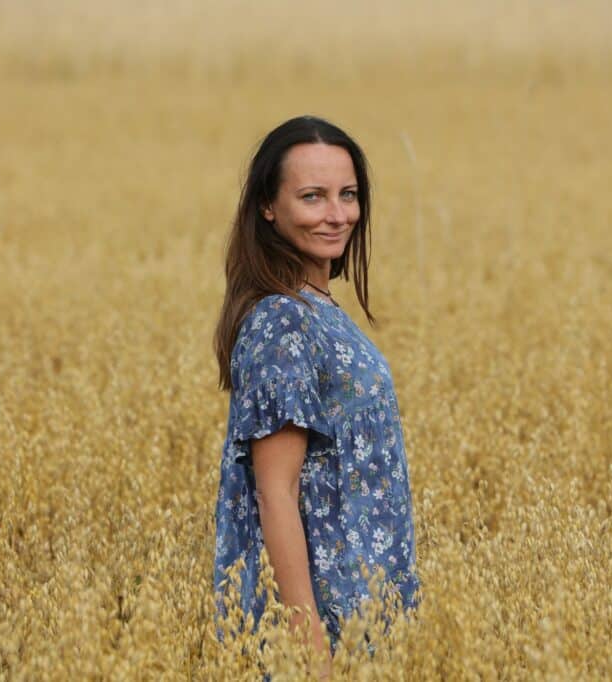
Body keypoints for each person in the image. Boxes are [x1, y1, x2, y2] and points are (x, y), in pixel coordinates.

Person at [212, 115, 421, 676]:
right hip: (324, 631)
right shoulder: (282, 321)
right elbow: (274, 493)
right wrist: (311, 655)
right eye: (313, 196)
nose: (337, 214)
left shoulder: (316, 309)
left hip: (363, 619)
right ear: (267, 207)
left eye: (347, 195)